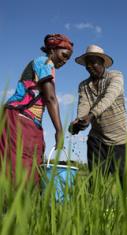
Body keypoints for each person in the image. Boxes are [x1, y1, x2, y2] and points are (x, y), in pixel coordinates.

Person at [0, 34, 73, 183]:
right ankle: (15, 203)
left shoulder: (48, 67)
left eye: (68, 58)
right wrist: (59, 130)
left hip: (29, 119)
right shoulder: (44, 62)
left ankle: (27, 202)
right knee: (20, 163)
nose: (65, 60)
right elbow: (50, 98)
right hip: (19, 116)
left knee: (34, 158)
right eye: (64, 55)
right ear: (52, 49)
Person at [68, 45, 127, 187]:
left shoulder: (115, 76)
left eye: (94, 62)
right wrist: (79, 121)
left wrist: (90, 116)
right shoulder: (84, 85)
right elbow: (83, 104)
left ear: (102, 62)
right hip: (97, 140)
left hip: (119, 141)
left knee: (126, 186)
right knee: (96, 184)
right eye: (87, 64)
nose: (90, 66)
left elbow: (109, 98)